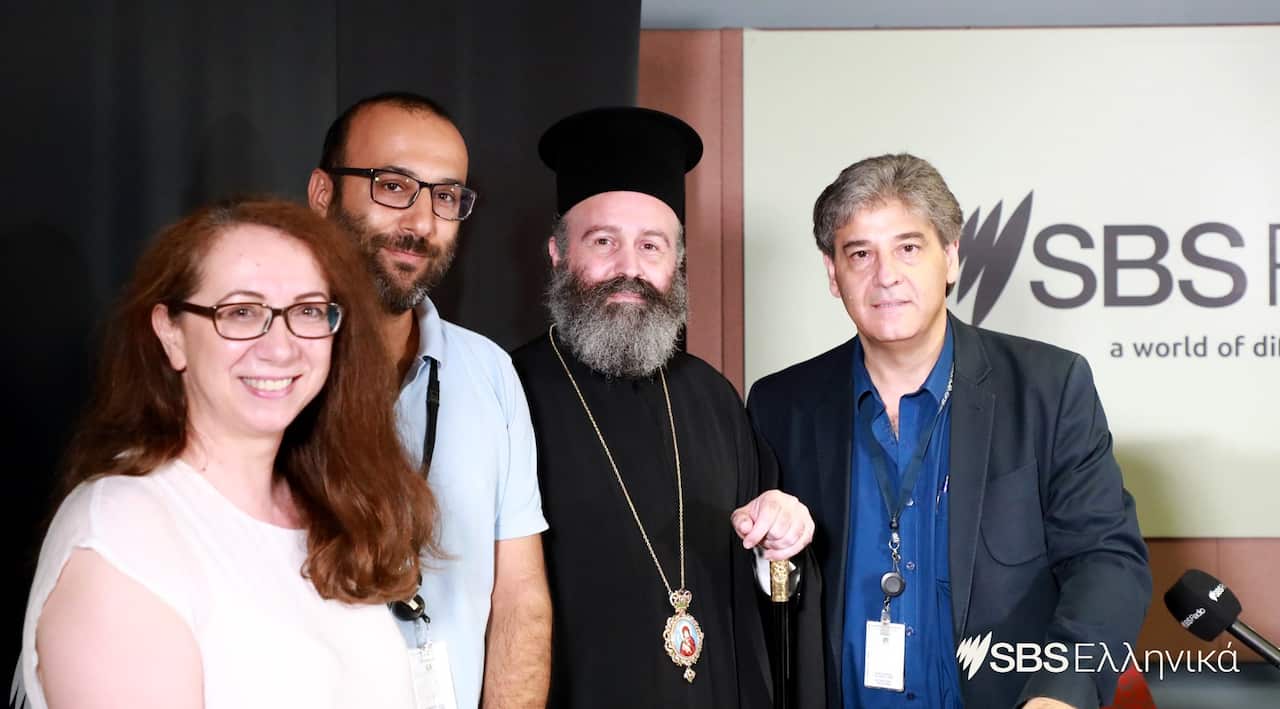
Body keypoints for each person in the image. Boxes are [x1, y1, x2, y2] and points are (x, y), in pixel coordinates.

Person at [746, 154, 1152, 709]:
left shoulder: (1049, 388)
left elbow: (1106, 561)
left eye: (908, 248)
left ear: (952, 258)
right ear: (832, 274)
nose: (886, 275)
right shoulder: (780, 406)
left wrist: (1063, 693)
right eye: (860, 254)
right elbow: (762, 589)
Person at [15, 199, 437, 709]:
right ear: (171, 334)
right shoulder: (120, 533)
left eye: (307, 311)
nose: (280, 348)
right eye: (241, 313)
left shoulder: (327, 510)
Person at [512, 106, 820, 708]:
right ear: (557, 253)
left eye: (651, 246)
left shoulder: (714, 398)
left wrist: (777, 545)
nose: (629, 268)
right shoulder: (508, 392)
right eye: (603, 242)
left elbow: (761, 596)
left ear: (676, 261)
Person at [306, 91, 550, 709]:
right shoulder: (269, 367)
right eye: (392, 186)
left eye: (445, 196)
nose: (420, 223)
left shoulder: (490, 374)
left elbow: (520, 600)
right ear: (323, 194)